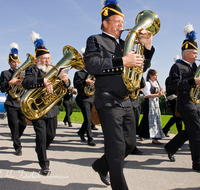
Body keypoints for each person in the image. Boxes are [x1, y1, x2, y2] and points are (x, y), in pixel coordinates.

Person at [84, 0, 155, 189]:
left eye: (122, 22)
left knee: (130, 144)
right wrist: (122, 60)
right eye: (117, 21)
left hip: (127, 101)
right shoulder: (95, 40)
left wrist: (147, 48)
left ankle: (101, 165)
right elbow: (91, 65)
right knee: (115, 149)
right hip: (107, 99)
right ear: (105, 22)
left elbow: (141, 67)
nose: (122, 25)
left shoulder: (126, 43)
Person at [22, 31, 69, 176]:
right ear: (37, 60)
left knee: (51, 135)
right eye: (44, 59)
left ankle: (40, 149)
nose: (47, 61)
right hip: (38, 110)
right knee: (41, 136)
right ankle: (44, 164)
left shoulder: (55, 70)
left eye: (49, 58)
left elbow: (64, 87)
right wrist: (42, 81)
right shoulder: (31, 69)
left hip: (52, 109)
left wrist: (66, 81)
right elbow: (25, 82)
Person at [164, 23, 200, 172]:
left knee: (192, 130)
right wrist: (193, 81)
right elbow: (173, 86)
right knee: (197, 131)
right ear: (186, 52)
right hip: (185, 103)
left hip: (196, 103)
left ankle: (170, 147)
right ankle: (197, 162)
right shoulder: (177, 67)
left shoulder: (194, 68)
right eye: (194, 53)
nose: (196, 56)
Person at [0, 42, 27, 156]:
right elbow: (2, 88)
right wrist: (9, 83)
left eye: (17, 62)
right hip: (11, 102)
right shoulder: (5, 73)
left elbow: (27, 86)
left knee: (23, 124)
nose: (15, 64)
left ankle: (15, 137)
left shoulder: (22, 73)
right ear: (9, 63)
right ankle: (17, 146)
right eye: (13, 62)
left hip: (20, 102)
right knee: (14, 125)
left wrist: (24, 80)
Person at [138, 69, 165, 144]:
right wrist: (157, 94)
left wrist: (160, 93)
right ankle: (153, 137)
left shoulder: (156, 83)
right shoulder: (147, 83)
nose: (156, 77)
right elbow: (146, 95)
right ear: (150, 75)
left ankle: (142, 134)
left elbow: (157, 94)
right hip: (149, 103)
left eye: (157, 75)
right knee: (149, 119)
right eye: (155, 75)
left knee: (154, 119)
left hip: (155, 103)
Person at [73, 66, 96, 146]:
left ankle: (81, 132)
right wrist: (85, 82)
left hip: (91, 98)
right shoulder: (78, 73)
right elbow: (76, 85)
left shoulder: (94, 74)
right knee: (87, 118)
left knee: (89, 118)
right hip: (82, 98)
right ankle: (90, 138)